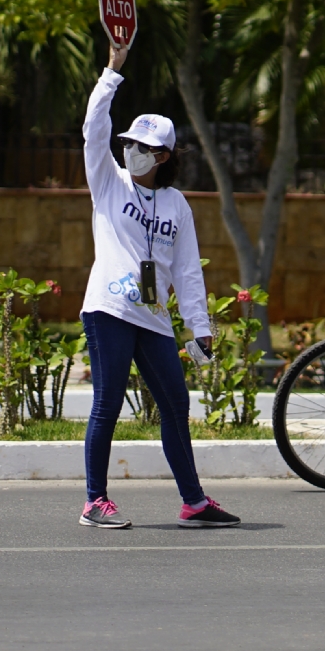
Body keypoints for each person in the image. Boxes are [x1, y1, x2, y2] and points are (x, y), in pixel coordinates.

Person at [78, 37, 240, 529]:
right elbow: (92, 130)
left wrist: (200, 325)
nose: (133, 152)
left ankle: (193, 502)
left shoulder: (177, 206)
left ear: (166, 155)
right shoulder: (108, 181)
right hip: (108, 307)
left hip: (152, 316)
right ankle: (94, 502)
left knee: (176, 401)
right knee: (107, 400)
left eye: (146, 148)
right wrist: (112, 71)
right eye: (129, 144)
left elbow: (188, 270)